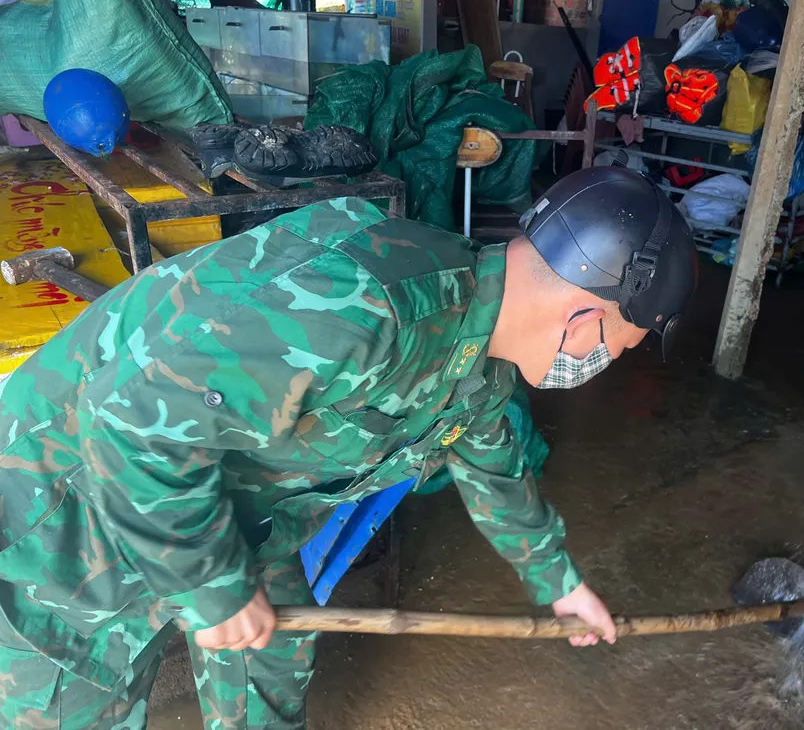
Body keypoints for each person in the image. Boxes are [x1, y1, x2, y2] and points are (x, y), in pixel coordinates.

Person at [0, 166, 697, 729]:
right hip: (64, 514)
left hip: (225, 507)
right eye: (617, 348)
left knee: (272, 652)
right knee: (81, 704)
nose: (602, 365)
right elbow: (131, 421)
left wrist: (562, 586)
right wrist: (211, 584)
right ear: (582, 319)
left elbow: (498, 473)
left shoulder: (477, 358)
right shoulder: (364, 301)